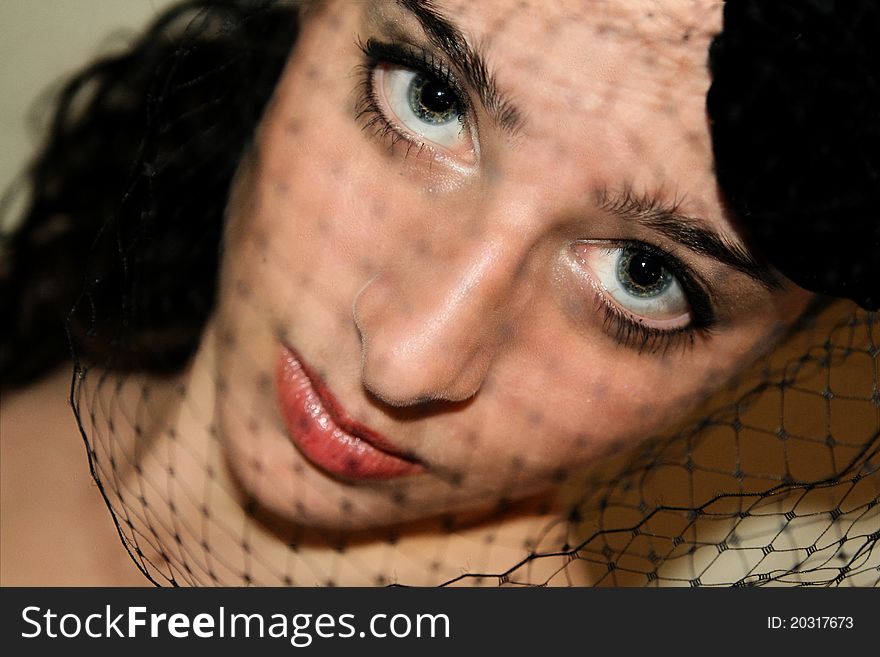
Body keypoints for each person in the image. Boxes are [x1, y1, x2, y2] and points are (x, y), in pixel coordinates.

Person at [1, 0, 876, 586]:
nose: (408, 360)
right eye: (429, 98)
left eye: (643, 277)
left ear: (776, 348)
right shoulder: (73, 306)